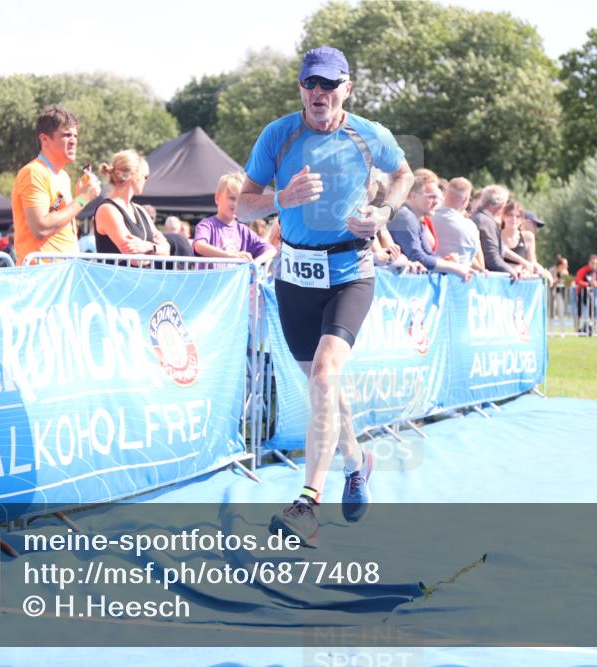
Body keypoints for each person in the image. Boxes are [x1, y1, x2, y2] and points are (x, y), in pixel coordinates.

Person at [235, 45, 414, 545]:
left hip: (351, 270)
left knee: (324, 374)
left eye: (329, 85)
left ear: (346, 89)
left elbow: (404, 175)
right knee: (324, 389)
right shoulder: (278, 135)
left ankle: (307, 503)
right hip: (295, 278)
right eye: (311, 84)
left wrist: (385, 213)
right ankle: (358, 464)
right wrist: (280, 199)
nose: (319, 93)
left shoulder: (368, 134)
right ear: (301, 88)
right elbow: (243, 209)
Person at [11, 105, 101, 265]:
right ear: (44, 139)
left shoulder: (63, 176)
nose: (73, 141)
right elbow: (41, 228)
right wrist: (82, 199)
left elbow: (58, 223)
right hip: (41, 276)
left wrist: (79, 199)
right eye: (66, 135)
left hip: (62, 273)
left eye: (75, 135)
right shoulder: (34, 172)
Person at [388, 169, 473, 281]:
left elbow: (428, 252)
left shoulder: (416, 218)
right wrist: (456, 268)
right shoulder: (405, 217)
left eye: (438, 197)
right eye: (431, 197)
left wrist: (446, 263)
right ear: (413, 196)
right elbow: (417, 258)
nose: (436, 202)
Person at [94, 149, 179, 261]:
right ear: (134, 177)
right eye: (145, 177)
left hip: (142, 277)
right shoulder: (108, 210)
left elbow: (167, 251)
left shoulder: (140, 210)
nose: (146, 181)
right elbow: (135, 259)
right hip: (117, 277)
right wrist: (156, 250)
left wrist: (148, 247)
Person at [193, 172, 277, 266]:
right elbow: (199, 246)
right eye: (232, 198)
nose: (236, 204)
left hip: (235, 281)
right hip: (212, 280)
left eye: (240, 200)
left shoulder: (243, 231)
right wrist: (232, 256)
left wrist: (256, 262)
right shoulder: (207, 225)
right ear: (217, 198)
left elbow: (271, 250)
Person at [432, 176, 485, 272]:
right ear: (465, 200)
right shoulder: (470, 227)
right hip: (460, 282)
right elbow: (480, 265)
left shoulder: (426, 218)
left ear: (445, 194)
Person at [470, 185, 522, 278]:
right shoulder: (486, 222)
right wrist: (512, 271)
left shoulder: (476, 217)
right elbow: (492, 258)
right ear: (501, 205)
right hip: (485, 282)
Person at [574, 254, 597, 335]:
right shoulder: (583, 270)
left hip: (590, 294)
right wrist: (588, 284)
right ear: (589, 262)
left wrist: (596, 284)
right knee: (579, 312)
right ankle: (577, 329)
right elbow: (578, 280)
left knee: (592, 311)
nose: (594, 265)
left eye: (596, 263)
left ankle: (592, 328)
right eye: (593, 263)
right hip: (581, 293)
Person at [549, 254, 571, 336]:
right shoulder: (552, 270)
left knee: (561, 312)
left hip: (561, 294)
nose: (566, 266)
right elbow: (549, 282)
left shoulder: (565, 272)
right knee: (552, 313)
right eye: (565, 264)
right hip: (552, 293)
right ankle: (551, 331)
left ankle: (562, 332)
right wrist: (555, 281)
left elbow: (567, 283)